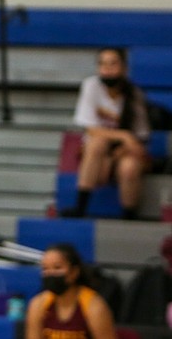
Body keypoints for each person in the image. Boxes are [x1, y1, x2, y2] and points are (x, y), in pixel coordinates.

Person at [59, 48, 150, 220]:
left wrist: (117, 154)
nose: (107, 68)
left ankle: (129, 215)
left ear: (124, 68)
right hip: (97, 153)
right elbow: (90, 128)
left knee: (129, 167)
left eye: (113, 63)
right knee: (97, 142)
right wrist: (123, 135)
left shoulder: (135, 95)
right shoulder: (91, 85)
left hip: (123, 152)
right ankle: (80, 207)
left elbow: (140, 138)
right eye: (102, 64)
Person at [24, 242, 117, 339]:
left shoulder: (94, 305)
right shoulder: (38, 304)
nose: (50, 273)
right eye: (45, 268)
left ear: (74, 272)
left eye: (57, 267)